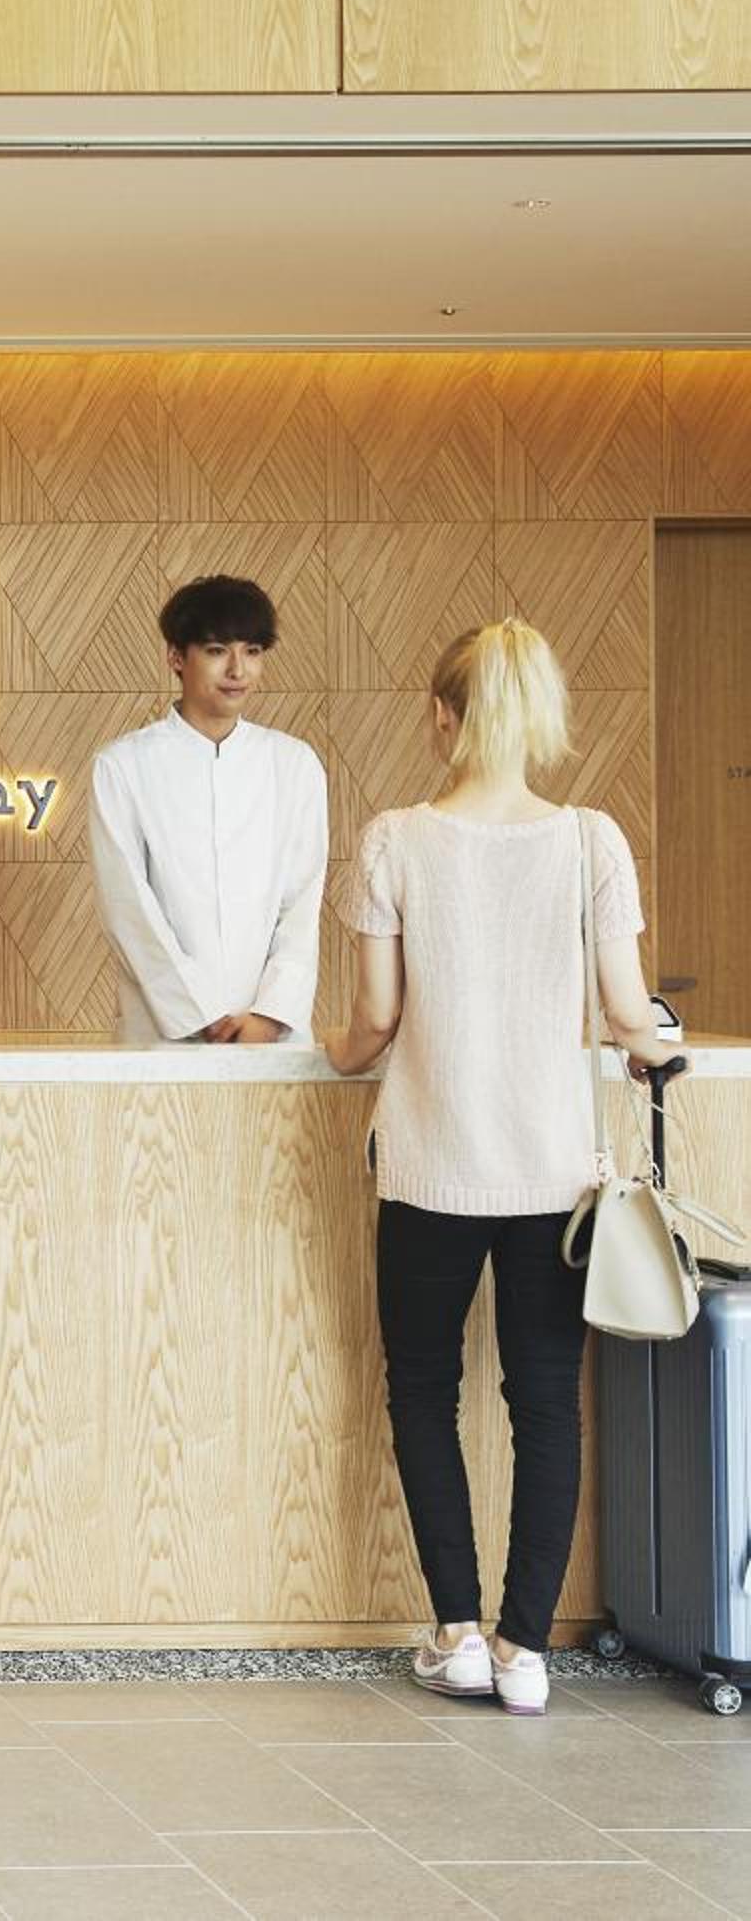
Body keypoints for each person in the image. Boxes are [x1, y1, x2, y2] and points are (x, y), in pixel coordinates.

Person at [326, 620, 670, 1717]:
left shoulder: (392, 841)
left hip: (429, 1166)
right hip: (554, 1177)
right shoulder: (591, 842)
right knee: (546, 1405)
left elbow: (375, 1021)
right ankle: (526, 1651)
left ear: (442, 717)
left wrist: (332, 1051)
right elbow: (628, 1011)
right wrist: (652, 1041)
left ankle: (457, 1635)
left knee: (424, 1390)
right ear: (540, 721)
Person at [88, 574, 329, 1042]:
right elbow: (127, 906)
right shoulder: (122, 766)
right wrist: (200, 1014)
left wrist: (271, 1014)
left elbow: (302, 903)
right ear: (176, 657)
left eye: (252, 651)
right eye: (218, 650)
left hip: (270, 1035)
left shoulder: (294, 764)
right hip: (166, 1035)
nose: (238, 670)